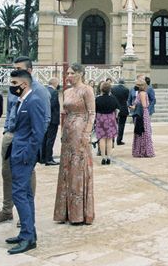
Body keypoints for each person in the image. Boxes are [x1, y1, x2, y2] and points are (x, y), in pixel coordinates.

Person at [0, 56, 50, 226]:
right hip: (11, 135)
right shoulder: (14, 87)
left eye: (19, 68)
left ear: (29, 71)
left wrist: (33, 144)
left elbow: (45, 119)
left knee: (26, 175)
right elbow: (10, 111)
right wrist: (8, 130)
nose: (15, 71)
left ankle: (26, 214)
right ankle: (7, 210)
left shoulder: (39, 91)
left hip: (26, 139)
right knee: (6, 173)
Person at [4, 69, 46, 254]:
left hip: (23, 156)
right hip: (18, 152)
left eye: (14, 84)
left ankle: (28, 237)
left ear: (24, 84)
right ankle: (27, 233)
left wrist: (27, 155)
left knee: (19, 194)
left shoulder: (34, 101)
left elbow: (38, 132)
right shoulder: (23, 101)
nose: (11, 87)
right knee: (25, 194)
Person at [54, 63, 96, 224]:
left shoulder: (87, 90)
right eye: (67, 73)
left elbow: (92, 113)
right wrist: (62, 132)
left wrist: (87, 133)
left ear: (80, 74)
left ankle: (79, 214)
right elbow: (64, 113)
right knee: (66, 168)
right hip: (68, 131)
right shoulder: (66, 91)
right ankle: (65, 212)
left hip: (80, 132)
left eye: (71, 73)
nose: (68, 76)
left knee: (78, 168)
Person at [130, 74, 155, 158]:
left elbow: (135, 104)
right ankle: (145, 151)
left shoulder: (139, 93)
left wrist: (134, 106)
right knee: (145, 132)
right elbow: (144, 105)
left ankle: (138, 150)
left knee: (139, 132)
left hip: (139, 113)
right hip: (144, 113)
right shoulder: (143, 93)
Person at [95, 81, 119, 165]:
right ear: (109, 89)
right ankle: (109, 157)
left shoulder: (97, 99)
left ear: (101, 89)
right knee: (109, 139)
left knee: (101, 139)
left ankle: (103, 157)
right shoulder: (113, 98)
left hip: (100, 119)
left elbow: (95, 110)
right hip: (111, 119)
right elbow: (117, 108)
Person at [42, 78, 60, 166]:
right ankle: (48, 158)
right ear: (55, 83)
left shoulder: (44, 90)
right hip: (53, 119)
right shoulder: (54, 92)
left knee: (45, 138)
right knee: (50, 139)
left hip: (45, 119)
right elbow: (53, 105)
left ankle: (43, 157)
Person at [112, 79, 130, 145]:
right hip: (123, 108)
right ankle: (119, 140)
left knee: (113, 125)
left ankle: (112, 140)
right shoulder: (126, 89)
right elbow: (126, 99)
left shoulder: (113, 89)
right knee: (121, 125)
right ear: (124, 83)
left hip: (115, 108)